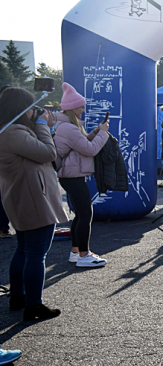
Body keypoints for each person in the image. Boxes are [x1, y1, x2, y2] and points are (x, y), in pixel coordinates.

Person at [0, 86, 68, 321]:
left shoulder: (8, 131)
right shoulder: (14, 133)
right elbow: (48, 153)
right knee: (36, 255)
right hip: (33, 200)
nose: (34, 112)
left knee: (24, 250)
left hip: (21, 198)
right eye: (31, 107)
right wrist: (42, 126)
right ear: (21, 109)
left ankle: (18, 296)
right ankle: (34, 305)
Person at [55, 82, 110, 267]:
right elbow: (90, 149)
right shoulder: (70, 128)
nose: (83, 110)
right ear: (72, 108)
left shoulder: (66, 126)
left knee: (79, 214)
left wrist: (95, 131)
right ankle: (84, 256)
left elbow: (82, 144)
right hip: (73, 176)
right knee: (86, 214)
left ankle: (76, 252)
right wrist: (103, 134)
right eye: (81, 106)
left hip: (69, 175)